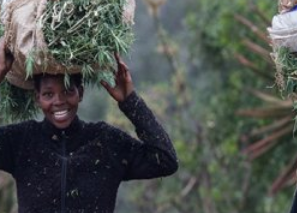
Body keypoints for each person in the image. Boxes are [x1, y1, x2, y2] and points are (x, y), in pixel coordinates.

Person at [0, 36, 179, 212]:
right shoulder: (22, 141)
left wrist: (130, 101)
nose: (59, 101)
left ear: (81, 93)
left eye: (68, 91)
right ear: (37, 98)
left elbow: (165, 160)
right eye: (48, 94)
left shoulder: (106, 141)